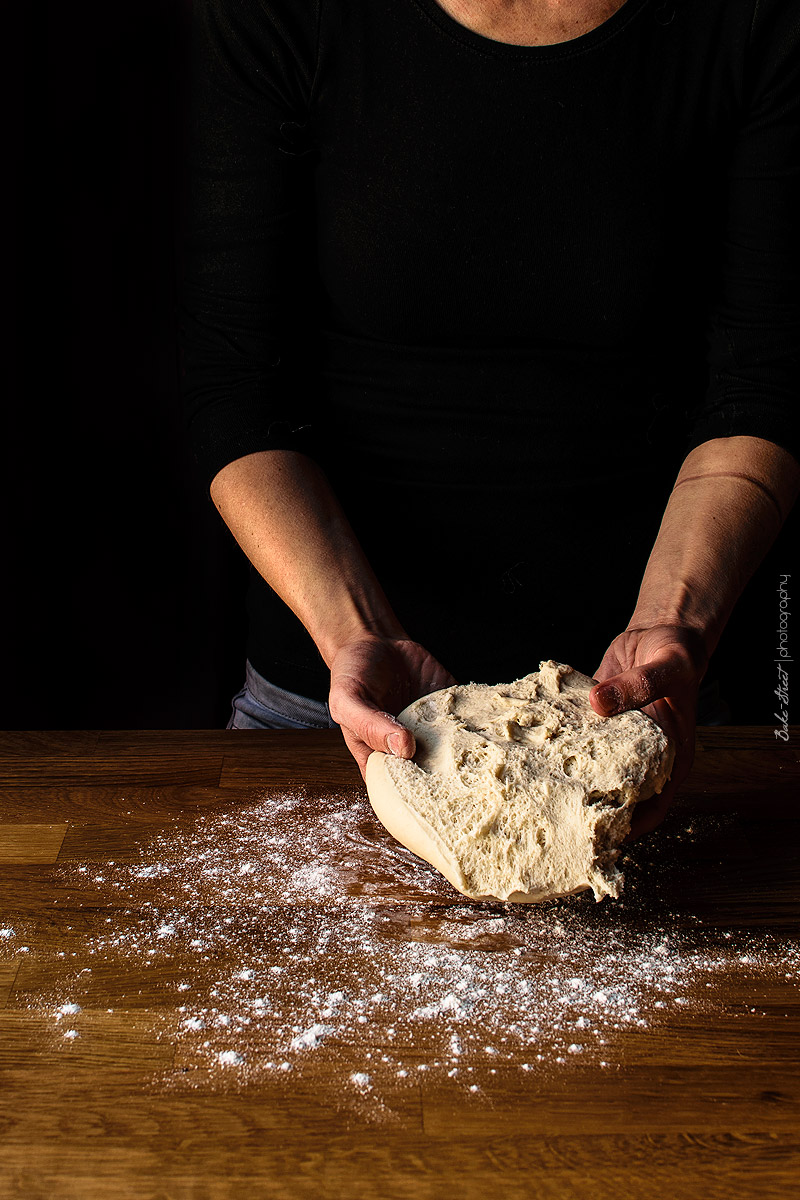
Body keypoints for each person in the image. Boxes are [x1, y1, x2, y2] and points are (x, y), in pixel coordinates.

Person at [178, 0, 799, 837]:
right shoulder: (283, 17)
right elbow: (235, 380)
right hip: (335, 710)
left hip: (636, 712)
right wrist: (352, 633)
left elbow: (764, 378)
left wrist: (672, 624)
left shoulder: (752, 19)